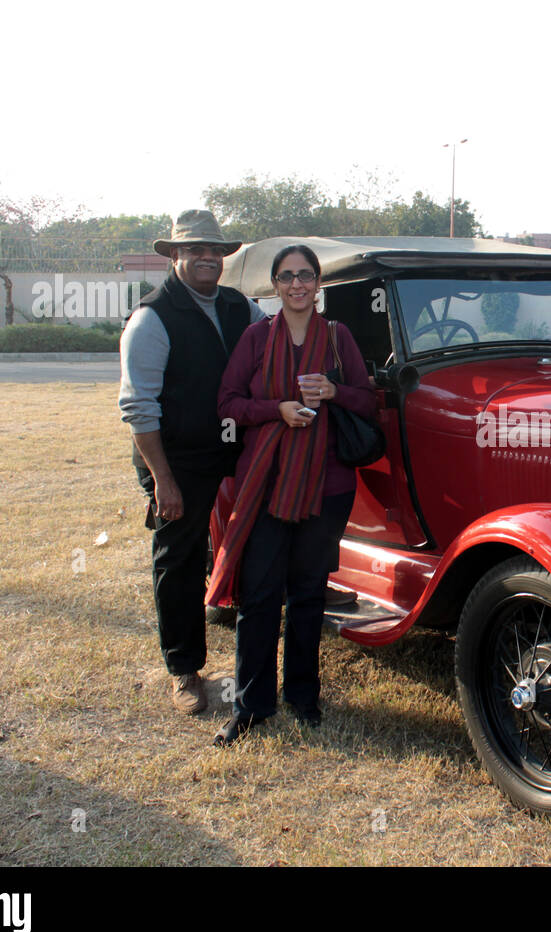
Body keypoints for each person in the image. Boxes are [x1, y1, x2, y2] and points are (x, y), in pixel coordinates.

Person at [208, 244, 376, 745]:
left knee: (307, 597)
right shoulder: (256, 337)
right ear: (275, 285)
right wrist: (277, 409)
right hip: (267, 485)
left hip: (328, 489)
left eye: (306, 275)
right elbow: (228, 403)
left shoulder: (338, 337)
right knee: (259, 597)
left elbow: (368, 401)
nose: (297, 284)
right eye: (287, 276)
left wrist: (335, 392)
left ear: (318, 283)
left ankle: (303, 698)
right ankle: (252, 706)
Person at [118, 210, 269, 716]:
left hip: (233, 446)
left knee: (259, 544)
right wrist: (163, 480)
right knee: (178, 560)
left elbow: (279, 345)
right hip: (176, 458)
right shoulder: (152, 318)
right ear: (175, 255)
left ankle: (252, 649)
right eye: (195, 250)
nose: (207, 257)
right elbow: (139, 407)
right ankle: (184, 669)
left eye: (214, 250)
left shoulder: (240, 307)